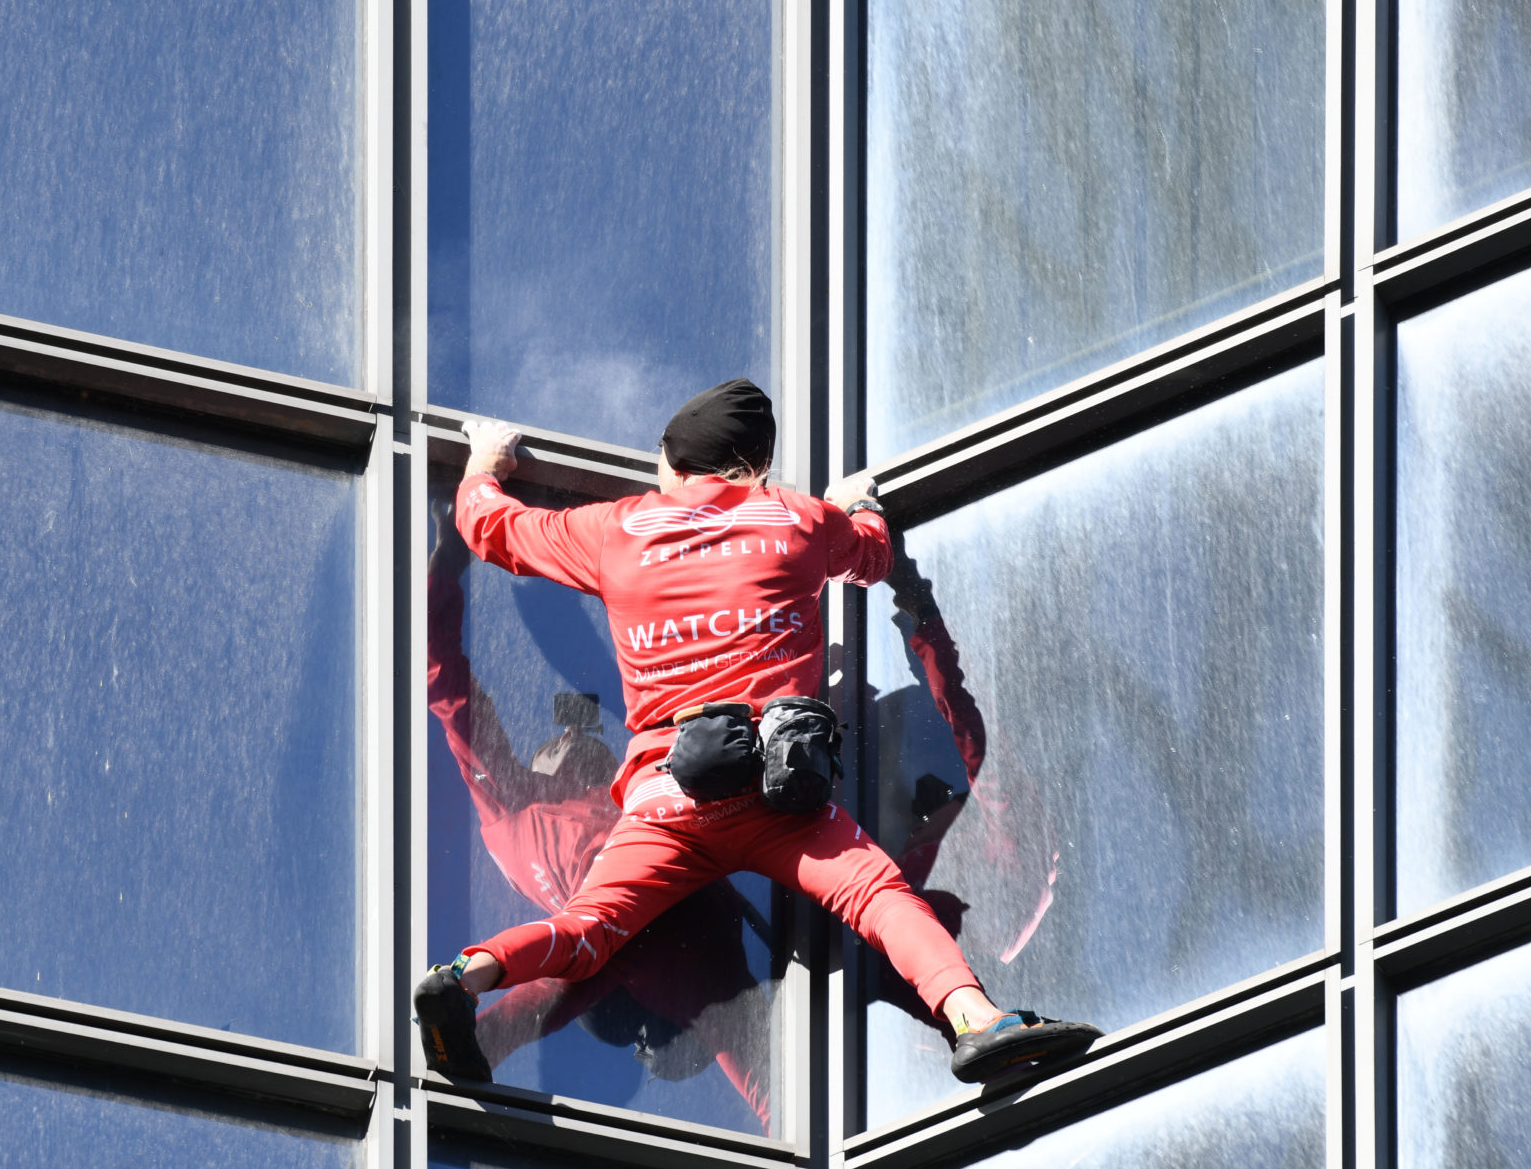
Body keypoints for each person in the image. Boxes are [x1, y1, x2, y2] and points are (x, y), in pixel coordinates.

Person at [414, 377, 1097, 1090]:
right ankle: (977, 1020)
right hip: (780, 795)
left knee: (590, 929)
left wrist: (483, 465)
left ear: (669, 463)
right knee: (879, 896)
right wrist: (858, 502)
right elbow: (870, 553)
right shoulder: (795, 522)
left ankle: (468, 974)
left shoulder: (613, 531)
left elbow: (490, 527)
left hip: (667, 797)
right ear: (755, 467)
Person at [428, 501, 775, 1123]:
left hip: (661, 912)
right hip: (650, 915)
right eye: (558, 744)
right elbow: (449, 692)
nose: (565, 739)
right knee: (586, 960)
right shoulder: (518, 809)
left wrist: (451, 565)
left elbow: (454, 691)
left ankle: (473, 1023)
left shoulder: (563, 802)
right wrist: (448, 561)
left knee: (585, 961)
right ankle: (473, 1028)